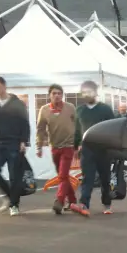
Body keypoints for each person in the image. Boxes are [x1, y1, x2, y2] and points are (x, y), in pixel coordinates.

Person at [0, 76, 31, 217]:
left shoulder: (17, 104)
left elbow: (24, 123)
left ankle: (14, 205)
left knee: (15, 175)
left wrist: (23, 141)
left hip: (14, 143)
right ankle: (10, 195)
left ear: (4, 86)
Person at [71, 81, 116, 217]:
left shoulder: (105, 109)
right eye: (84, 92)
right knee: (87, 178)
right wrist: (75, 146)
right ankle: (84, 204)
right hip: (87, 148)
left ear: (96, 92)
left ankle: (107, 204)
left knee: (105, 178)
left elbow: (113, 128)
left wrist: (113, 146)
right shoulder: (79, 110)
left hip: (103, 148)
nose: (87, 94)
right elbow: (77, 131)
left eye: (89, 91)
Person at [36, 84, 77, 215]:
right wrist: (39, 146)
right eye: (54, 93)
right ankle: (73, 201)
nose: (57, 95)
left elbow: (78, 125)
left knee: (63, 175)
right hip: (54, 146)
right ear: (50, 95)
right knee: (63, 176)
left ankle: (59, 201)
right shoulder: (44, 110)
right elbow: (40, 129)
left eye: (59, 93)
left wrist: (78, 143)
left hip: (69, 146)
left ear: (62, 95)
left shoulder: (70, 108)